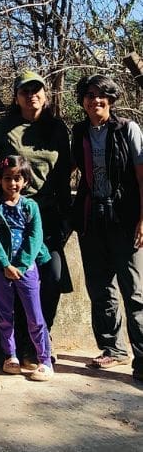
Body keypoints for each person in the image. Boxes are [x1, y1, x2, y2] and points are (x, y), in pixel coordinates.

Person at [0, 70, 72, 366]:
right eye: (24, 91)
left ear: (45, 93)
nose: (31, 96)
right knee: (12, 276)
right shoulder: (6, 127)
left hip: (47, 214)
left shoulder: (56, 128)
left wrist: (67, 217)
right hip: (11, 215)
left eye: (36, 89)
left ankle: (41, 338)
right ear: (16, 97)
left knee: (52, 275)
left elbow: (65, 172)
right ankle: (15, 347)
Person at [70, 75, 143, 381]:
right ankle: (113, 349)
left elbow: (141, 174)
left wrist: (142, 219)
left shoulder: (127, 129)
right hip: (92, 219)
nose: (95, 100)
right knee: (100, 288)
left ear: (111, 99)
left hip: (125, 220)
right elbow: (69, 168)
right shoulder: (79, 132)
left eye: (101, 95)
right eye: (89, 95)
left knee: (134, 291)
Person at [0, 155, 53, 382]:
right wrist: (5, 264)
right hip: (2, 269)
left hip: (26, 269)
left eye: (17, 178)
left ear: (25, 181)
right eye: (7, 178)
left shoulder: (30, 206)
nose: (12, 183)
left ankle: (44, 360)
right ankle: (10, 355)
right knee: (5, 314)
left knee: (34, 315)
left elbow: (35, 237)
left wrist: (21, 265)